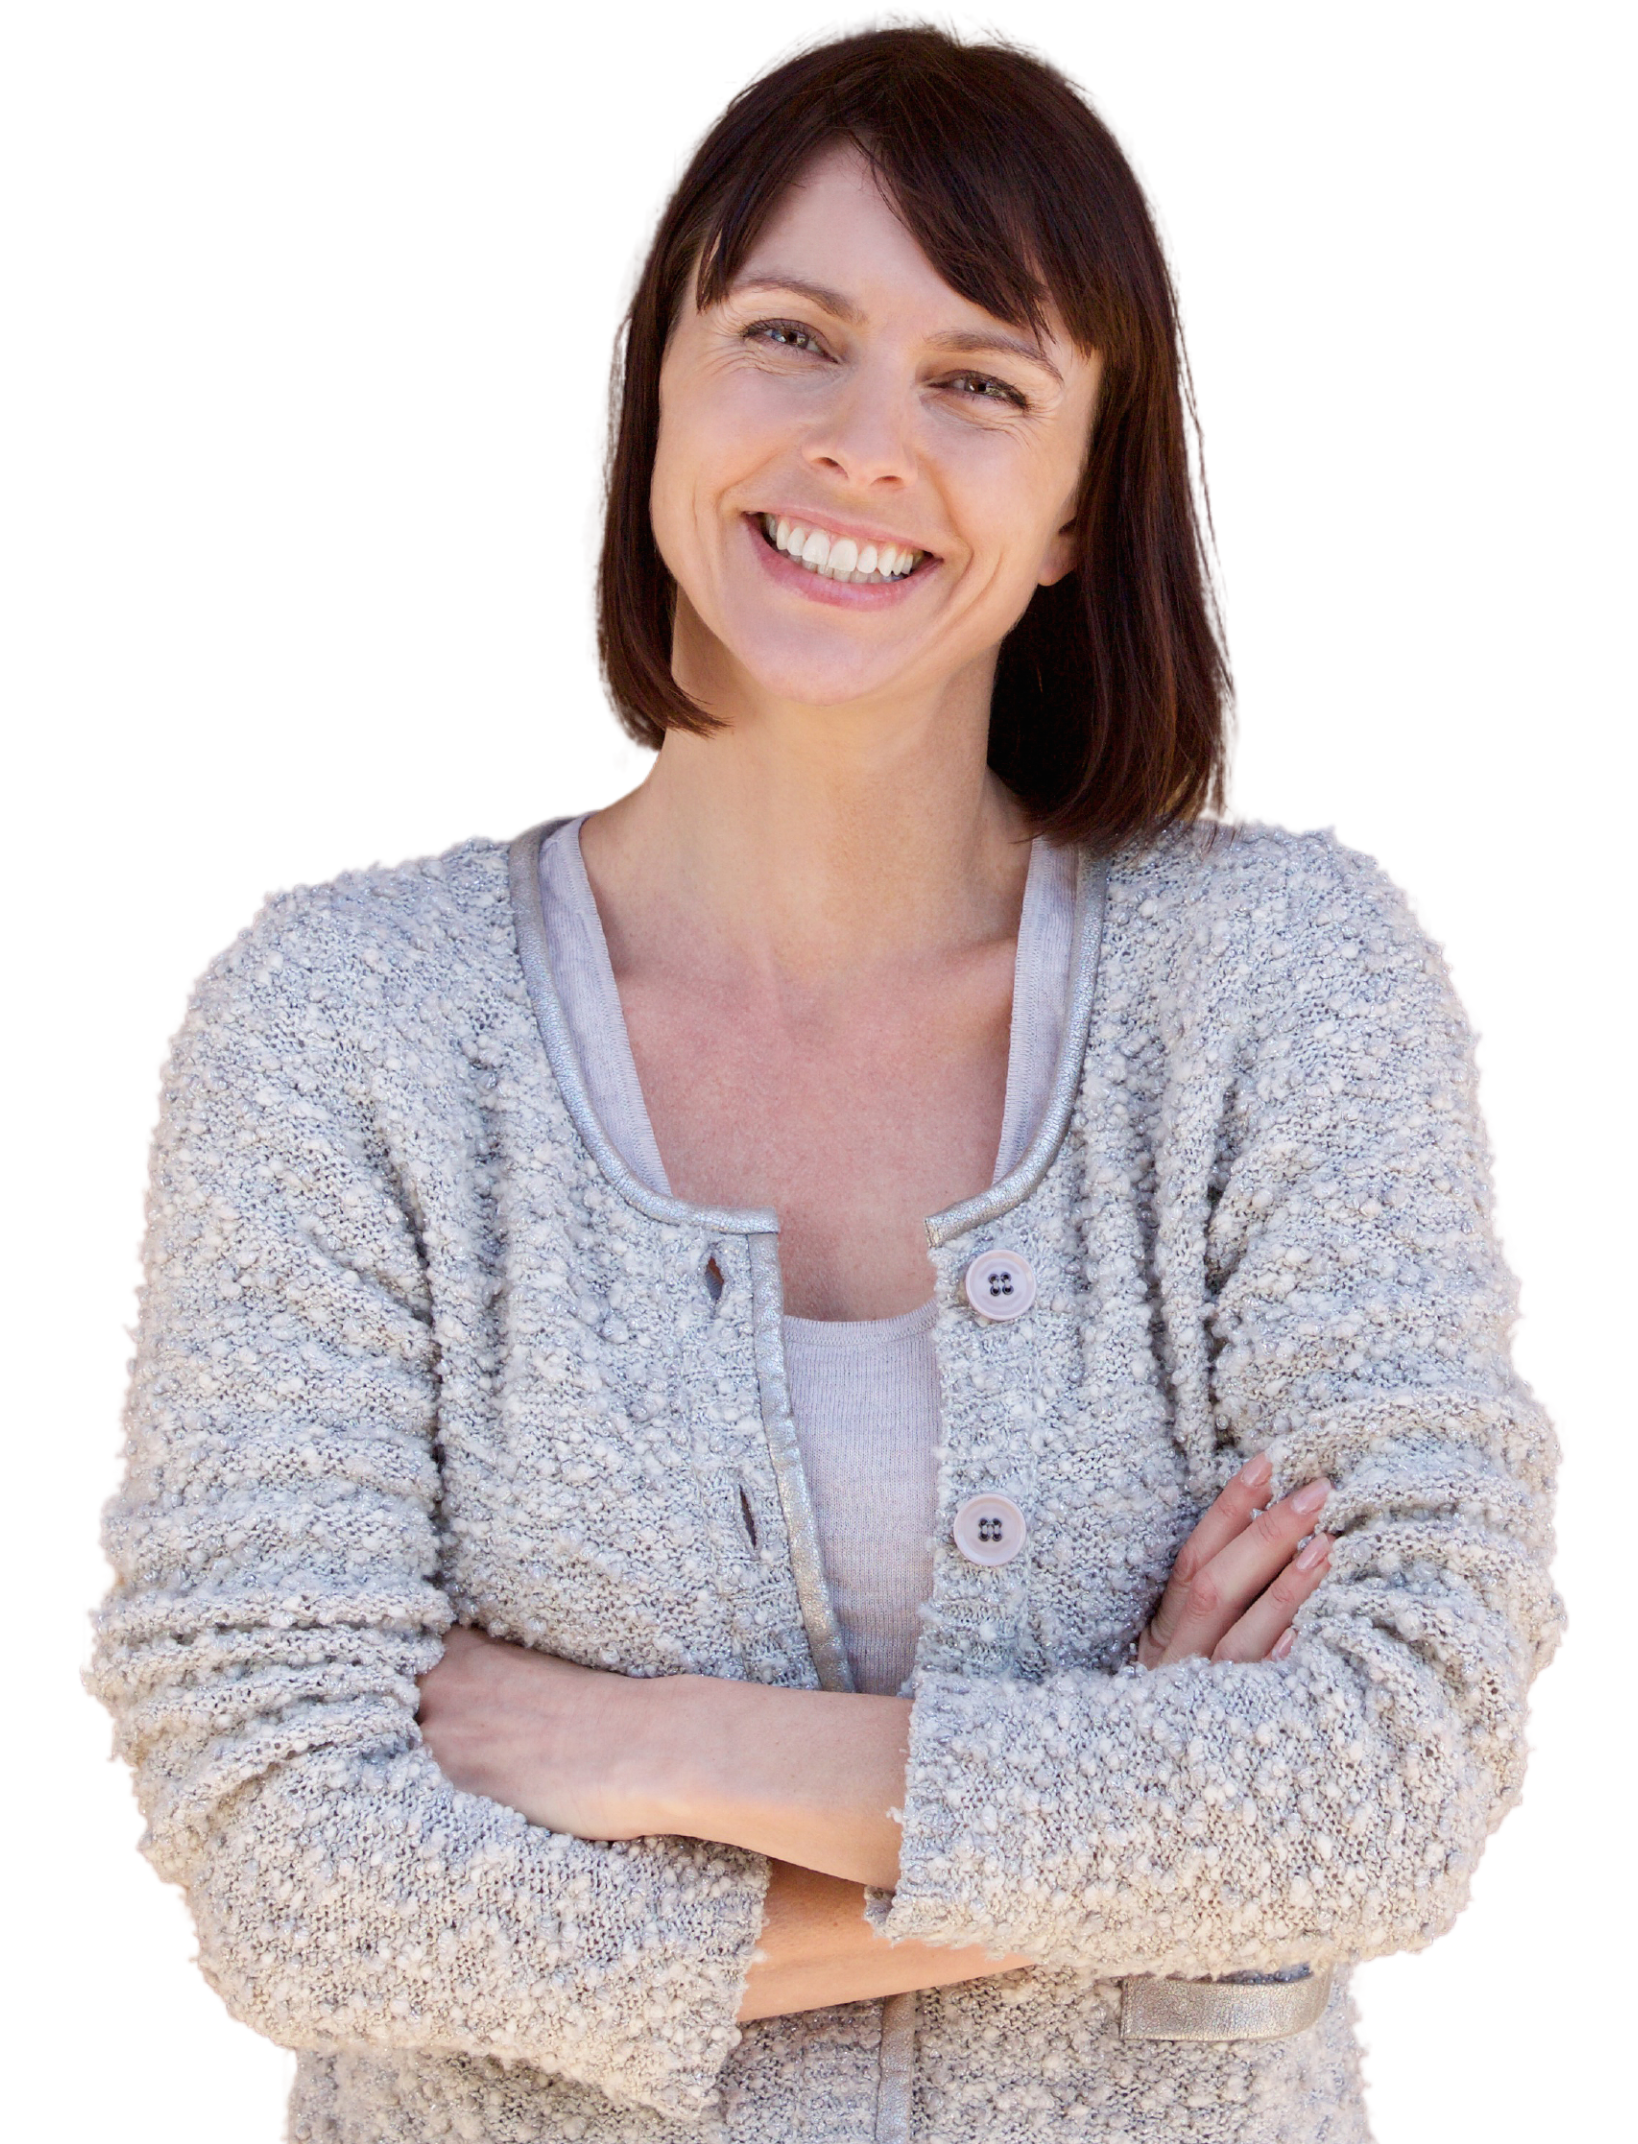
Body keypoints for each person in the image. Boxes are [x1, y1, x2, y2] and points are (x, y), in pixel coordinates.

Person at [82, 15, 1569, 2141]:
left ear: (1076, 507)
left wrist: (643, 1744)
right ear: (658, 395)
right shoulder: (340, 1024)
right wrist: (1132, 1794)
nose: (869, 444)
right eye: (792, 335)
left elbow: (1403, 1775)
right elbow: (278, 1865)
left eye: (981, 381)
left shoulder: (1287, 984)